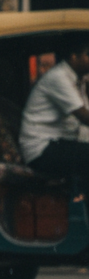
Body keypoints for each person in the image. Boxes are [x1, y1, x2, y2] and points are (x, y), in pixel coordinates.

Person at [19, 36, 89, 189]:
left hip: (55, 144)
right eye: (87, 55)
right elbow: (84, 117)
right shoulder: (59, 78)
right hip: (41, 149)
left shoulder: (78, 80)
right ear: (73, 56)